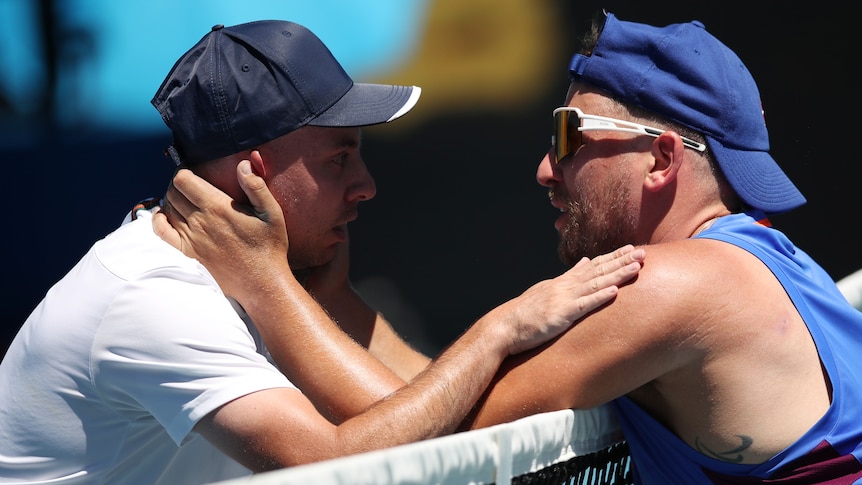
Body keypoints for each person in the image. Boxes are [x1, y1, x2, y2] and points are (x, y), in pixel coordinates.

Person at [157, 11, 862, 484]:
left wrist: (263, 281)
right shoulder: (761, 260)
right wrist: (334, 296)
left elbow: (430, 443)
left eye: (568, 135)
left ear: (662, 160)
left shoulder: (676, 288)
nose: (545, 168)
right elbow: (433, 401)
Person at [0, 19, 646, 485]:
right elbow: (340, 464)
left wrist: (332, 298)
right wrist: (502, 327)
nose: (366, 186)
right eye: (340, 158)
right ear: (254, 172)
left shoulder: (248, 269)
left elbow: (414, 412)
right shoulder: (155, 297)